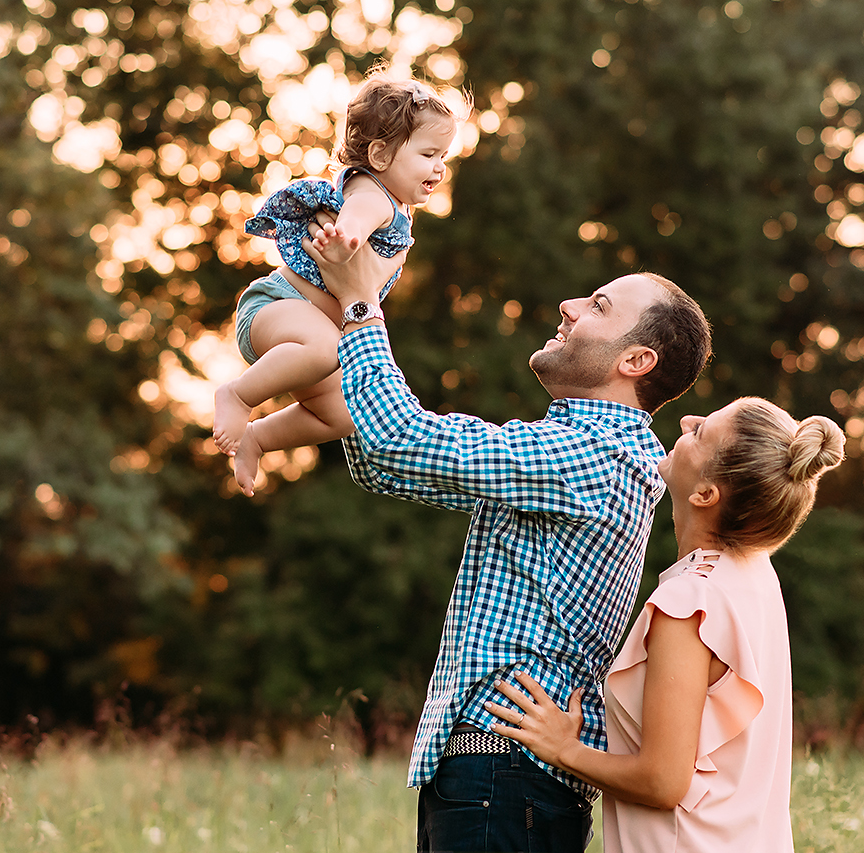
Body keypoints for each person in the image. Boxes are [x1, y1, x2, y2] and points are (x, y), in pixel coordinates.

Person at [301, 226, 713, 853]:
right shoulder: (572, 450)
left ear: (635, 362)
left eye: (598, 306)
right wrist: (322, 345)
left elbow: (400, 439)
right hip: (501, 776)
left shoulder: (593, 454)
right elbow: (384, 464)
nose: (569, 307)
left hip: (504, 771)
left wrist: (361, 307)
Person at [484, 398, 845, 853]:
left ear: (705, 494)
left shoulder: (689, 601)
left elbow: (662, 781)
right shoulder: (756, 578)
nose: (686, 421)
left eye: (700, 433)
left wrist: (564, 750)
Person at [215, 73, 460, 496]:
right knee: (325, 350)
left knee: (345, 416)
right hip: (277, 305)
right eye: (428, 154)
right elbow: (356, 219)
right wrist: (347, 238)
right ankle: (237, 396)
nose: (440, 166)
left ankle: (258, 438)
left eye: (444, 155)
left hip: (308, 330)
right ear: (380, 154)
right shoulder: (374, 195)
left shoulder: (393, 202)